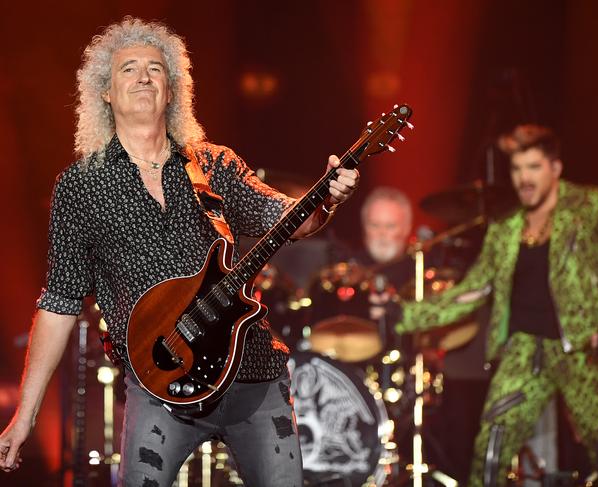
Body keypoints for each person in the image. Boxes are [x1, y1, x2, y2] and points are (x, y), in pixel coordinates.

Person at [0, 17, 359, 486]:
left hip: (251, 372)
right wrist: (25, 414)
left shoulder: (213, 164)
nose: (144, 76)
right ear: (104, 92)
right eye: (128, 69)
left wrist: (327, 197)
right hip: (159, 382)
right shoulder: (81, 185)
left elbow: (289, 219)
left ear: (172, 90)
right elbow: (60, 302)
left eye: (156, 68)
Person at [396, 124, 598, 486]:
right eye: (516, 169)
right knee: (490, 449)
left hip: (584, 349)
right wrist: (402, 316)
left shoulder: (592, 206)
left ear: (555, 168)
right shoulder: (507, 224)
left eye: (533, 167)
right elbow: (472, 290)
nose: (524, 178)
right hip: (524, 351)